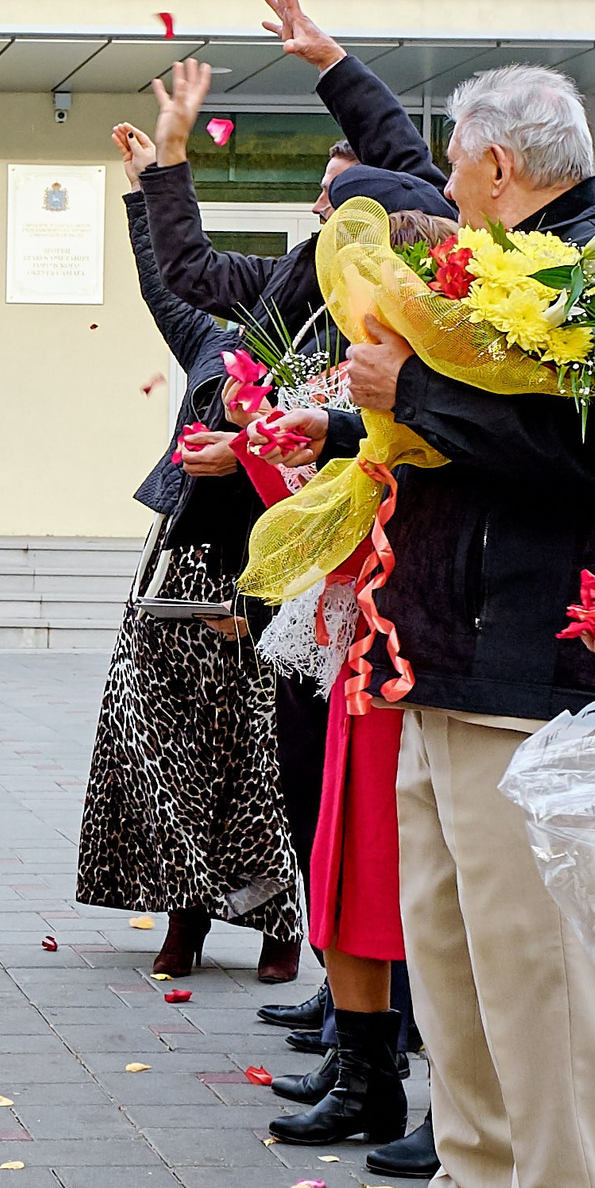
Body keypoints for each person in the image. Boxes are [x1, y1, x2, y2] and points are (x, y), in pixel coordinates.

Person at [258, 0, 595, 1188]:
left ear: (494, 163)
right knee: (455, 951)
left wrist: (411, 390)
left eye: (453, 161)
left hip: (529, 670)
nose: (443, 177)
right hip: (437, 652)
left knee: (539, 969)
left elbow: (591, 455)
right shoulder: (485, 260)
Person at [135, 61, 456, 998]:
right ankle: (342, 993)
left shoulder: (427, 309)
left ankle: (366, 1007)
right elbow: (187, 274)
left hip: (380, 583)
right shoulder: (295, 282)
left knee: (353, 794)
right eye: (322, 197)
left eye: (337, 194)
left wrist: (329, 62)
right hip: (297, 572)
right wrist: (171, 156)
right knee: (313, 781)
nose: (321, 209)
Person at [74, 123, 302, 979]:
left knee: (255, 754)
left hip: (272, 575)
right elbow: (162, 285)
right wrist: (144, 191)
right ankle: (186, 910)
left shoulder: (329, 362)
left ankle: (278, 921)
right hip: (189, 564)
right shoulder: (219, 341)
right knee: (163, 738)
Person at [256, 206, 462, 1149]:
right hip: (363, 648)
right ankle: (367, 1069)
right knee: (346, 863)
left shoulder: (450, 383)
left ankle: (418, 1088)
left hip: (408, 649)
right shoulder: (383, 393)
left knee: (399, 876)